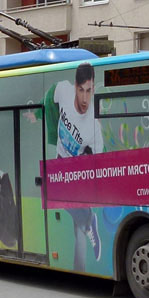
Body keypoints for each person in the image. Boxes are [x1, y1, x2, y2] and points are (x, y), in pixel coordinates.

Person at [53, 63, 104, 270]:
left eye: (89, 91)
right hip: (59, 160)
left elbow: (97, 163)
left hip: (75, 172)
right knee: (55, 197)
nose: (85, 98)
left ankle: (89, 223)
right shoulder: (62, 90)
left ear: (93, 89)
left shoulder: (93, 127)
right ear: (75, 86)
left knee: (77, 228)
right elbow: (49, 100)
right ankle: (89, 221)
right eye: (81, 90)